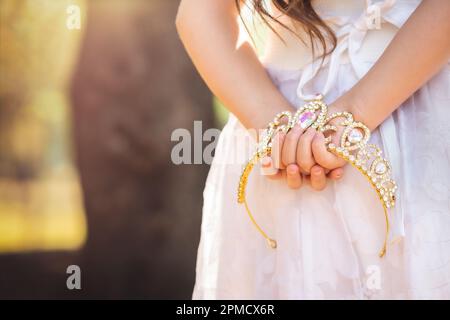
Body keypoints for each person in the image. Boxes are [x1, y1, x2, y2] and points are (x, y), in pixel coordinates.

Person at [176, 0, 450, 299]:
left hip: (411, 96)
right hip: (270, 119)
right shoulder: (282, 131)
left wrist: (343, 116)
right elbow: (200, 13)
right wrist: (282, 133)